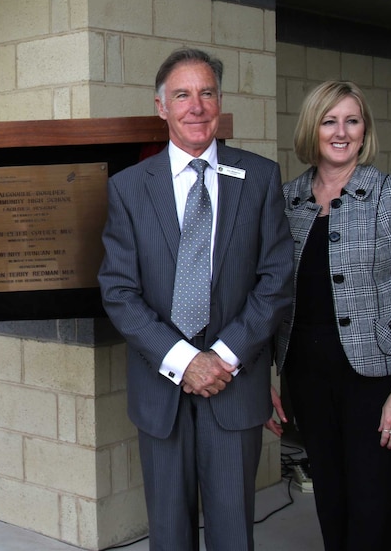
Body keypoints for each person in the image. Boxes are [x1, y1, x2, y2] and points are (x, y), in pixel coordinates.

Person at [98, 47, 294, 550]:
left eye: (207, 93)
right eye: (182, 94)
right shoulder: (127, 188)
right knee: (168, 532)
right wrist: (185, 361)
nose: (197, 106)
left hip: (236, 379)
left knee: (233, 531)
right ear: (161, 107)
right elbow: (119, 291)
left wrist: (221, 358)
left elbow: (275, 280)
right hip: (161, 387)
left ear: (220, 102)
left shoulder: (260, 177)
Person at [274, 80, 391, 551]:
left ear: (365, 131)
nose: (341, 132)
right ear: (312, 129)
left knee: (375, 512)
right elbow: (269, 293)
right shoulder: (287, 200)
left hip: (377, 381)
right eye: (329, 121)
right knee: (334, 509)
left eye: (352, 120)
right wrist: (264, 374)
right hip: (307, 379)